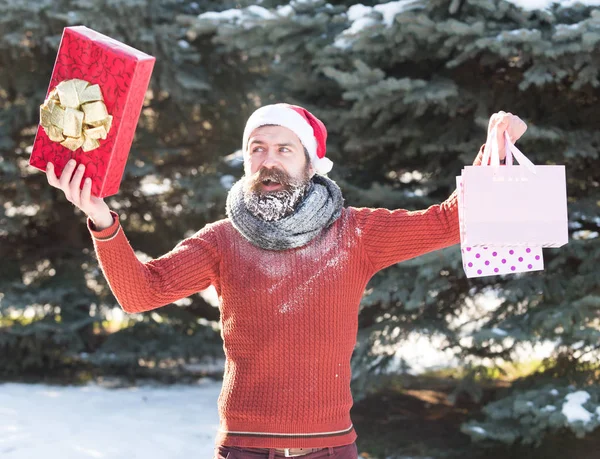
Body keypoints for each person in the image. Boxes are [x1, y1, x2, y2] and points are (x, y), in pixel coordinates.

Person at [46, 104, 526, 459]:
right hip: (243, 447)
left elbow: (449, 220)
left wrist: (498, 147)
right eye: (257, 149)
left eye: (283, 148)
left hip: (329, 446)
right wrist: (101, 217)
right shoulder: (222, 240)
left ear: (309, 162)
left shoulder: (356, 232)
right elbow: (140, 293)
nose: (269, 160)